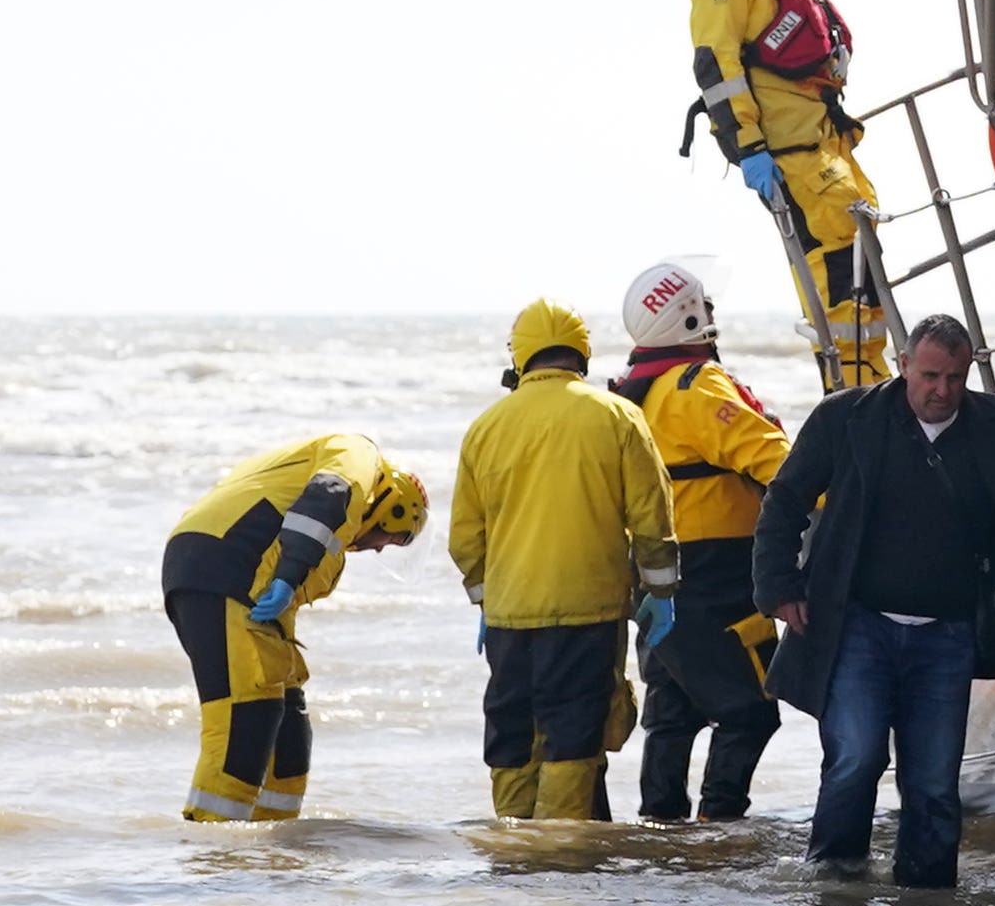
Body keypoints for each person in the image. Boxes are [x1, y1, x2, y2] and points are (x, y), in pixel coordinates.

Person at [753, 314, 995, 888]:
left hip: (947, 633)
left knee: (932, 782)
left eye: (954, 377)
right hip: (858, 625)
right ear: (903, 367)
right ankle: (833, 885)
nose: (941, 390)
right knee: (854, 759)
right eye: (929, 375)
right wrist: (778, 587)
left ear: (968, 372)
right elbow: (785, 499)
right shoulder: (848, 418)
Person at [451, 301, 683, 822]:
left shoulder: (486, 427)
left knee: (512, 737)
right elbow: (651, 515)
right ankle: (558, 860)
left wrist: (487, 598)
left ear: (520, 356)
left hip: (510, 618)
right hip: (588, 612)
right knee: (573, 736)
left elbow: (466, 537)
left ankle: (511, 854)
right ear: (582, 353)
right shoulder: (617, 415)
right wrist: (661, 593)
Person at [688, 0, 884, 385]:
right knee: (839, 274)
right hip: (789, 154)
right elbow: (717, 64)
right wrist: (747, 149)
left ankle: (875, 382)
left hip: (822, 145)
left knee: (863, 259)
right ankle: (856, 393)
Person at [162, 436, 427, 821]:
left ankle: (273, 850)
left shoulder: (332, 539)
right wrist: (289, 575)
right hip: (223, 567)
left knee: (287, 726)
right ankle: (213, 853)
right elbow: (328, 493)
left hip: (235, 576)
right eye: (392, 537)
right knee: (245, 717)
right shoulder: (357, 458)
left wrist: (287, 579)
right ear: (389, 506)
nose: (383, 548)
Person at [610, 260, 791, 823]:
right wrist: (839, 501)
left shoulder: (632, 398)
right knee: (751, 712)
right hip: (717, 578)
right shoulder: (696, 386)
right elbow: (773, 458)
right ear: (688, 317)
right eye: (704, 305)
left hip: (656, 577)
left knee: (673, 716)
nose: (711, 313)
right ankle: (720, 826)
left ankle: (661, 833)